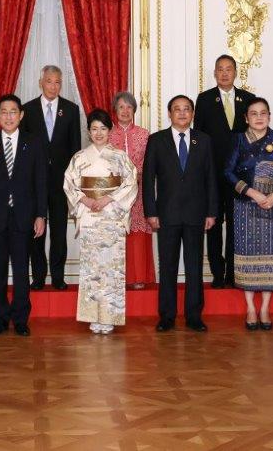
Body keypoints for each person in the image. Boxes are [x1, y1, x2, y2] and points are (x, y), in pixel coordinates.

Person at [143, 95, 218, 332]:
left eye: (187, 109)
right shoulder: (156, 140)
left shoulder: (204, 141)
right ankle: (167, 316)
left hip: (197, 214)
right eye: (177, 109)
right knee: (168, 266)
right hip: (167, 214)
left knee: (194, 266)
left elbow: (211, 179)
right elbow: (147, 180)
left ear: (193, 113)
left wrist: (212, 211)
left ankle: (194, 316)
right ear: (169, 113)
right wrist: (151, 212)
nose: (182, 113)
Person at [0, 94, 48, 337]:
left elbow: (41, 182)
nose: (8, 116)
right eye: (4, 112)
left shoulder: (34, 142)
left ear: (21, 115)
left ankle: (20, 319)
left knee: (20, 271)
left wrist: (41, 215)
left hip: (24, 217)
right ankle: (0, 319)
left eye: (13, 111)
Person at [225, 97, 273, 331]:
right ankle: (250, 307)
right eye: (253, 113)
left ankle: (265, 307)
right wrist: (251, 192)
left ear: (269, 116)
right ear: (246, 118)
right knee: (246, 253)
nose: (259, 117)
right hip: (246, 205)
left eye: (263, 113)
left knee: (270, 254)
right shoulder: (237, 141)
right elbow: (228, 172)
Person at [64, 109, 138, 335]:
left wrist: (108, 198)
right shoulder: (79, 157)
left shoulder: (120, 157)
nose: (98, 133)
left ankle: (110, 316)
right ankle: (92, 316)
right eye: (94, 129)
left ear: (110, 130)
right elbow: (69, 183)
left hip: (111, 216)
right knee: (91, 268)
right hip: (89, 215)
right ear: (88, 131)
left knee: (111, 267)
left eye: (103, 129)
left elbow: (131, 183)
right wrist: (84, 199)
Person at [194, 54, 255, 288]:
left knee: (237, 226)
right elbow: (198, 137)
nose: (225, 73)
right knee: (214, 225)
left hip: (241, 177)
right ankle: (218, 275)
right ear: (215, 73)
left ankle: (234, 273)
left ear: (235, 72)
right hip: (213, 175)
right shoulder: (205, 99)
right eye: (220, 69)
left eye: (229, 69)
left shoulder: (248, 99)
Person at [20, 65, 81, 290]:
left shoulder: (71, 109)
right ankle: (37, 277)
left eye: (57, 82)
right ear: (40, 82)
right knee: (36, 230)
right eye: (49, 81)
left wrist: (73, 182)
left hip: (60, 182)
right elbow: (23, 148)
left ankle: (57, 276)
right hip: (33, 183)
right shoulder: (27, 109)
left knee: (58, 231)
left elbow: (75, 150)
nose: (53, 86)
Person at [108, 91, 155, 289]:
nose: (125, 111)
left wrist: (136, 175)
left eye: (129, 107)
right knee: (116, 234)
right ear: (115, 110)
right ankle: (117, 278)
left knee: (137, 234)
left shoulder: (144, 134)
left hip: (139, 192)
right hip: (114, 194)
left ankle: (138, 277)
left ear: (134, 110)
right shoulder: (107, 134)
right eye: (121, 107)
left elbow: (150, 163)